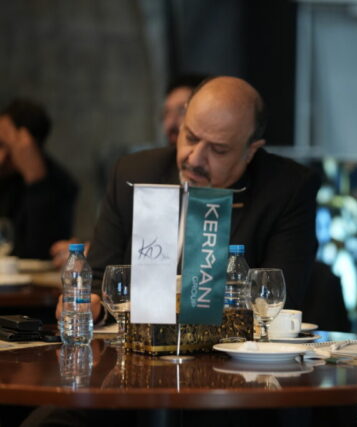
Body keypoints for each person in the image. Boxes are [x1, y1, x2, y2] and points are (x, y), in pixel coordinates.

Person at [55, 76, 319, 323]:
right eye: (190, 137)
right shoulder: (135, 174)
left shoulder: (287, 189)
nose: (194, 158)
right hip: (140, 348)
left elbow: (277, 302)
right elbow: (99, 282)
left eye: (218, 149)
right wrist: (91, 307)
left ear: (251, 151)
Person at [49, 75, 206, 267]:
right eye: (165, 114)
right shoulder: (140, 173)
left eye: (182, 111)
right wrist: (92, 251)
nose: (171, 124)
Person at [0, 98, 77, 260]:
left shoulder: (59, 184)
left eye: (4, 145)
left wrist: (35, 180)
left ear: (26, 144)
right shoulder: (6, 179)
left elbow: (39, 252)